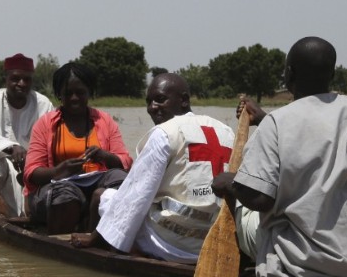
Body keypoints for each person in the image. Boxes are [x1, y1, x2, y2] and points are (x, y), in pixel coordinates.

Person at [212, 36, 347, 277]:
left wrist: (230, 184)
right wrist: (265, 119)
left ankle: (243, 265)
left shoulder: (278, 123)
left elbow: (259, 198)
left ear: (288, 74)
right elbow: (314, 136)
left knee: (243, 206)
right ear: (333, 74)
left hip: (305, 259)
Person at [70, 73, 236, 263]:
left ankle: (103, 250)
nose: (151, 108)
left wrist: (94, 238)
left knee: (103, 196)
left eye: (160, 100)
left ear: (183, 100)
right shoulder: (226, 131)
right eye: (149, 102)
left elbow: (135, 195)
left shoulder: (164, 133)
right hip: (216, 239)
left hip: (174, 244)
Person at [24, 62, 133, 234]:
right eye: (68, 93)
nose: (74, 98)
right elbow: (31, 172)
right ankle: (61, 244)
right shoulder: (45, 124)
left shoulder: (105, 121)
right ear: (59, 95)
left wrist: (104, 156)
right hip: (57, 190)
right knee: (66, 194)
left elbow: (125, 162)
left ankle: (97, 236)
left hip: (96, 187)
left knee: (120, 178)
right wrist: (60, 171)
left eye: (80, 93)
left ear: (90, 92)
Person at [0, 53, 54, 216]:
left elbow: (50, 140)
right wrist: (12, 147)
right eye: (15, 79)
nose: (21, 84)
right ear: (6, 79)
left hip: (31, 166)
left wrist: (31, 159)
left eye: (27, 79)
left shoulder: (44, 104)